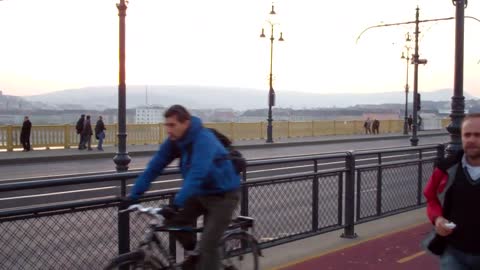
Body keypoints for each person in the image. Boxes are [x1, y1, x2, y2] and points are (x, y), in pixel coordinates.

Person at [129, 105, 240, 270]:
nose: (168, 130)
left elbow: (197, 174)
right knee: (173, 222)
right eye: (166, 125)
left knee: (208, 245)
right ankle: (196, 254)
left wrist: (175, 204)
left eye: (172, 125)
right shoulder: (175, 141)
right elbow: (154, 168)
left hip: (223, 196)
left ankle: (204, 258)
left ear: (186, 122)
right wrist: (133, 195)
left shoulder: (204, 139)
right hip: (201, 193)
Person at [422, 113, 480, 269]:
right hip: (454, 253)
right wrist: (438, 219)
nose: (472, 140)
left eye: (478, 135)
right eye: (467, 135)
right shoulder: (446, 168)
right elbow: (431, 197)